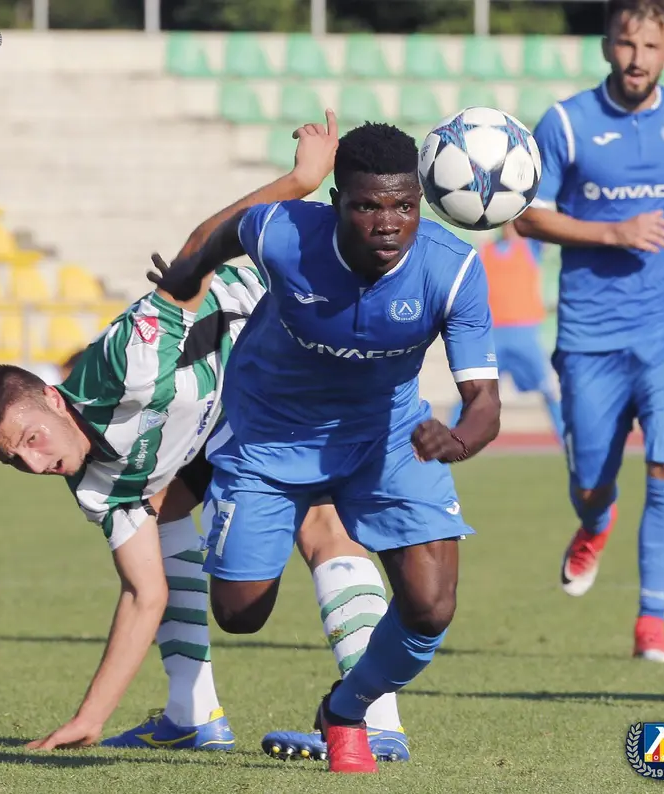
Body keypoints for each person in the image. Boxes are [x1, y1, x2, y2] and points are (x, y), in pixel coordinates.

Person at [0, 116, 409, 759]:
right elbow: (144, 593)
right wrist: (90, 717)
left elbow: (198, 248)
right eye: (14, 460)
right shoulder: (94, 485)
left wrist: (301, 180)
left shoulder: (127, 361)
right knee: (159, 509)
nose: (35, 462)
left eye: (31, 437)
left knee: (320, 523)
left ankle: (376, 719)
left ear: (54, 399)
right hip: (228, 410)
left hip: (287, 338)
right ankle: (192, 714)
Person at [147, 120, 501, 773]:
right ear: (337, 202)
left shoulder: (451, 270)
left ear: (421, 202)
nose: (388, 224)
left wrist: (456, 440)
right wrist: (184, 285)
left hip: (387, 437)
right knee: (240, 614)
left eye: (404, 206)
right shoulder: (282, 232)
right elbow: (213, 239)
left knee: (431, 608)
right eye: (367, 206)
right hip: (269, 434)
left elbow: (485, 403)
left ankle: (347, 709)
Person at [514, 0, 664, 663]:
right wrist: (613, 232)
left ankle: (651, 623)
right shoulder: (566, 124)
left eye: (651, 47)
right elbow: (527, 217)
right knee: (591, 486)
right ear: (606, 46)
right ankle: (596, 522)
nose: (637, 59)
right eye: (626, 44)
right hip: (591, 335)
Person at [450, 222, 564, 443]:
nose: (511, 230)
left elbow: (547, 232)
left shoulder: (530, 248)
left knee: (548, 390)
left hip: (525, 333)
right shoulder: (484, 250)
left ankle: (567, 440)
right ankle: (452, 437)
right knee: (473, 388)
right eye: (508, 225)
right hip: (492, 335)